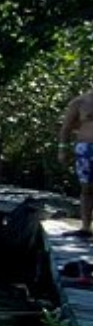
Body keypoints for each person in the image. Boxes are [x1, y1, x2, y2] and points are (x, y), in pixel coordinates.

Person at [60, 89, 93, 238]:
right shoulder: (80, 102)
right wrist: (62, 150)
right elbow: (66, 128)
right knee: (87, 188)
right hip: (86, 149)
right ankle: (85, 228)